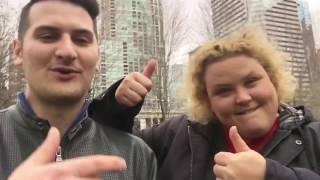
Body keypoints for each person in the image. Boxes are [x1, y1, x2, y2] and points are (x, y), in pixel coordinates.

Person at [91, 27, 320, 180]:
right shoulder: (178, 136)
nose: (242, 97)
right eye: (223, 91)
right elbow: (111, 152)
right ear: (207, 101)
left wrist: (269, 175)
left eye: (251, 82)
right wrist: (117, 107)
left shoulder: (314, 138)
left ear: (273, 81)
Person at [0, 0, 157, 179]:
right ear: (18, 51)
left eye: (81, 40)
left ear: (98, 57)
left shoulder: (136, 156)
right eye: (48, 36)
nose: (67, 51)